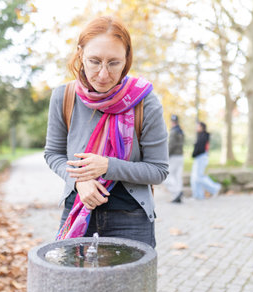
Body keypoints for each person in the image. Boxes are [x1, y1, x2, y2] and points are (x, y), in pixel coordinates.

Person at [44, 16, 168, 248]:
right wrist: (79, 180)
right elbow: (53, 154)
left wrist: (107, 166)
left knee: (130, 286)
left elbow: (159, 170)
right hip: (77, 210)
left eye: (113, 63)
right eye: (94, 61)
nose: (103, 74)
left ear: (126, 59)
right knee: (75, 284)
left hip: (131, 219)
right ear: (80, 54)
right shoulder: (64, 97)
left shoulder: (145, 101)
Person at [190, 121, 221, 199]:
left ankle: (215, 188)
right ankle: (198, 195)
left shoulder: (204, 136)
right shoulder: (200, 135)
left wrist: (194, 153)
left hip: (201, 157)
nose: (196, 128)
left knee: (199, 177)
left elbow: (200, 148)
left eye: (198, 126)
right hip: (199, 157)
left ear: (202, 127)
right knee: (195, 177)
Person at [164, 114, 184, 203]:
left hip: (174, 156)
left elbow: (171, 145)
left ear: (172, 122)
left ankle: (176, 192)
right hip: (180, 156)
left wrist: (166, 156)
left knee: (167, 176)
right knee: (177, 176)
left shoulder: (173, 131)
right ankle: (177, 195)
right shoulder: (181, 131)